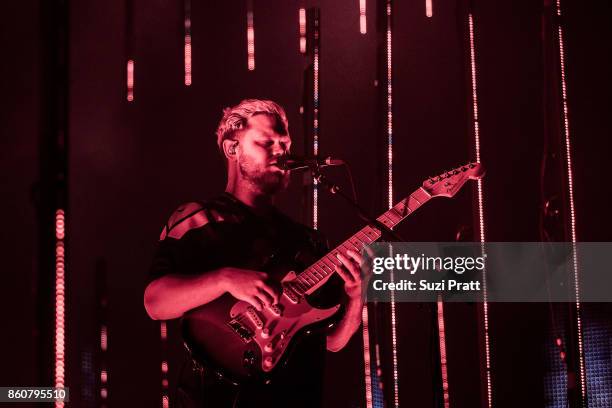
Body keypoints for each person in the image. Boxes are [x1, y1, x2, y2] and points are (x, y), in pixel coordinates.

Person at [144, 99, 367, 407]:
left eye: (285, 143)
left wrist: (356, 298)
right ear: (232, 149)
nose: (281, 151)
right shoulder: (198, 219)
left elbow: (330, 342)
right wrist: (224, 279)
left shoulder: (308, 240)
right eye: (267, 142)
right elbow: (155, 302)